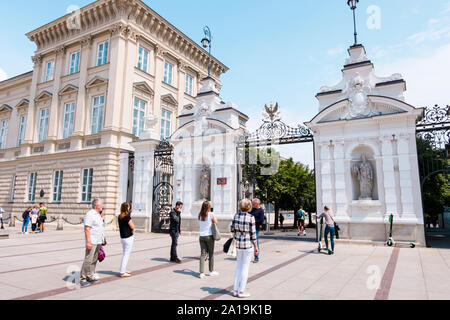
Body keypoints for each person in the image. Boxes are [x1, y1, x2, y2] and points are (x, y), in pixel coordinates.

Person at [230, 199, 258, 298]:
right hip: (247, 244)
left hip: (238, 243)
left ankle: (235, 290)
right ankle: (241, 291)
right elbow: (253, 234)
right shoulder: (251, 217)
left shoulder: (236, 216)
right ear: (249, 207)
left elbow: (232, 229)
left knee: (238, 267)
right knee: (245, 268)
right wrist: (256, 246)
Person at [80, 199, 105, 287]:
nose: (102, 206)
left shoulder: (98, 215)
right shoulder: (90, 214)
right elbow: (87, 228)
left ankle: (90, 275)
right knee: (88, 259)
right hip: (92, 240)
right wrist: (88, 242)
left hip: (98, 240)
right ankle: (83, 278)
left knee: (94, 259)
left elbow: (100, 227)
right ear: (96, 205)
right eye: (101, 204)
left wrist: (103, 239)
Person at [198, 201, 219, 279]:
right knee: (211, 253)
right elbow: (216, 222)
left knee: (202, 254)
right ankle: (211, 271)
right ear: (209, 207)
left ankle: (201, 273)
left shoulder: (200, 214)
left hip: (201, 236)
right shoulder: (211, 214)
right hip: (209, 235)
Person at [118, 202, 135, 278]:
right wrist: (133, 231)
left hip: (123, 237)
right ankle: (122, 272)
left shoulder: (119, 216)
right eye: (128, 207)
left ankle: (123, 269)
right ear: (126, 208)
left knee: (125, 254)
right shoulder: (127, 217)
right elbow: (132, 226)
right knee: (126, 255)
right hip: (128, 237)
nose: (129, 208)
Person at [250, 198, 265, 263]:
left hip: (256, 228)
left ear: (257, 204)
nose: (252, 205)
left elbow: (261, 220)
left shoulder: (261, 211)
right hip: (249, 228)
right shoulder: (252, 210)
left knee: (255, 243)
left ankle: (256, 257)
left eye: (253, 204)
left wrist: (254, 221)